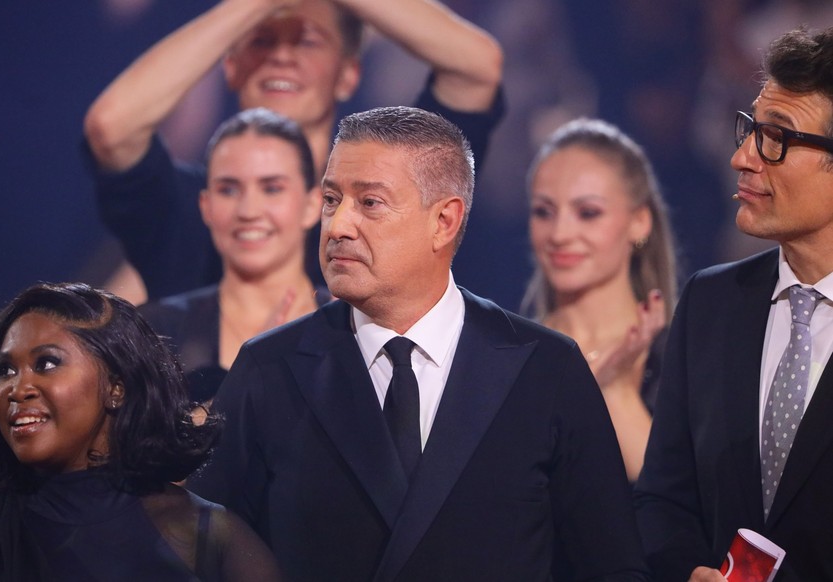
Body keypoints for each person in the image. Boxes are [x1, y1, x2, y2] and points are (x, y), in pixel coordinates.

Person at [188, 106, 649, 581]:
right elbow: (201, 558)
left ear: (444, 221)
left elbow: (612, 569)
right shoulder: (270, 369)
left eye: (370, 203)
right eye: (331, 199)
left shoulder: (545, 370)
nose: (338, 225)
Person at [83, 0, 504, 301]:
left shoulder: (391, 190)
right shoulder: (194, 207)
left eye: (307, 40)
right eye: (262, 40)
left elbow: (476, 68)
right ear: (230, 66)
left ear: (348, 74)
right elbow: (111, 127)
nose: (282, 56)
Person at [634, 26, 833, 582]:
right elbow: (663, 500)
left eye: (776, 138)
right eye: (749, 130)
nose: (742, 157)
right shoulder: (711, 301)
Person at [0, 282, 283, 581]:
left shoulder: (206, 535)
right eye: (7, 370)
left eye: (46, 363)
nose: (18, 388)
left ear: (116, 387)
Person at [522, 118, 679, 481]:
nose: (560, 234)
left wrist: (616, 390)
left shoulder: (678, 360)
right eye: (543, 211)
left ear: (639, 222)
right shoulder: (509, 351)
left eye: (588, 213)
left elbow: (674, 504)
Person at [139, 108, 329, 406]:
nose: (248, 211)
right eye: (228, 190)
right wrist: (249, 377)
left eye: (272, 188)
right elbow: (144, 449)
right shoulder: (155, 333)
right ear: (206, 206)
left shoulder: (354, 327)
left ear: (312, 205)